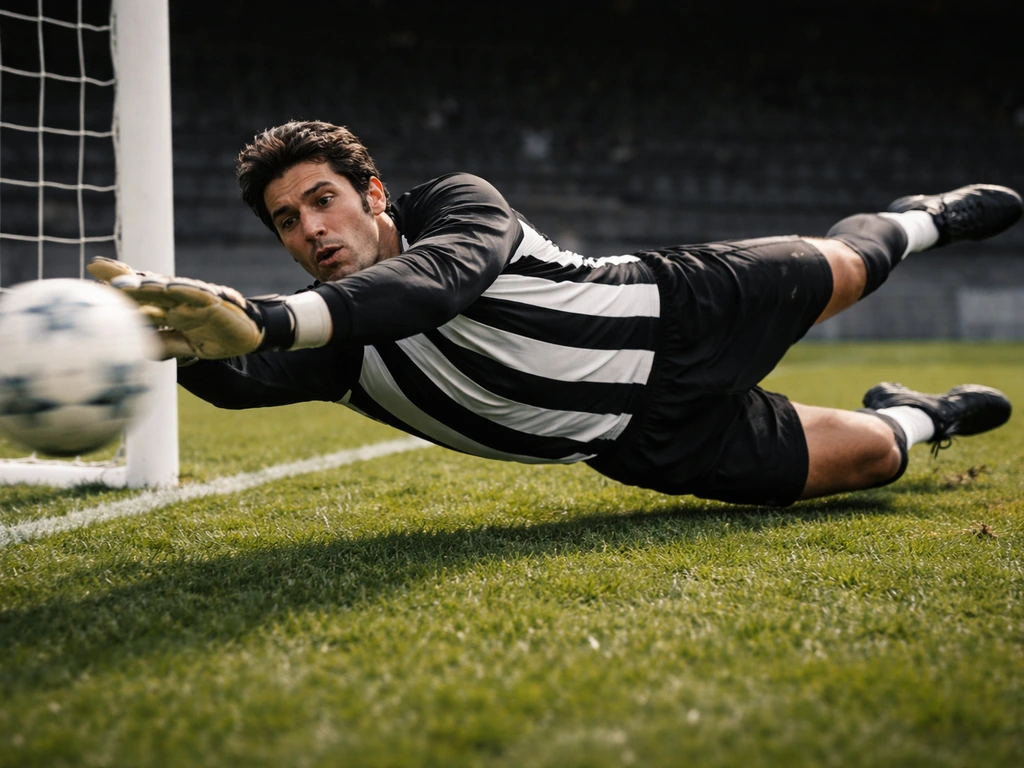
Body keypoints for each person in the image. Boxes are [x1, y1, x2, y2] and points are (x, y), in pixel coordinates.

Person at [88, 121, 1021, 507]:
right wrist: (150, 342)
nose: (312, 228)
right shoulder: (338, 346)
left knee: (857, 262)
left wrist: (271, 317)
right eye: (288, 221)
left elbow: (439, 284)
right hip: (645, 443)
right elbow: (242, 374)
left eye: (324, 199)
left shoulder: (457, 204)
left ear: (372, 191)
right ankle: (925, 413)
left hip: (681, 306)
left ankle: (924, 218)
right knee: (872, 458)